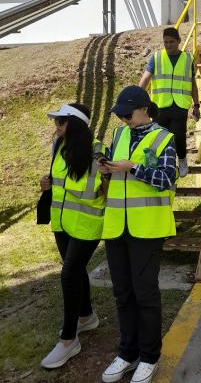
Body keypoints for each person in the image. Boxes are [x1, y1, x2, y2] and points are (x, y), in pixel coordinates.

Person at [100, 86, 177, 383]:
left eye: (127, 113)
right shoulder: (119, 135)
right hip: (117, 226)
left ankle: (149, 356)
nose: (123, 119)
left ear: (144, 109)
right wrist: (105, 167)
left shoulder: (164, 138)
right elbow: (111, 165)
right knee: (122, 293)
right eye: (120, 114)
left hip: (147, 229)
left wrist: (133, 167)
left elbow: (167, 179)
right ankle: (127, 352)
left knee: (145, 294)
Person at [39, 103, 105, 370]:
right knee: (75, 272)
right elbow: (60, 180)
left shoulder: (96, 150)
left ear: (74, 125)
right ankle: (87, 316)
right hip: (62, 221)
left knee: (68, 274)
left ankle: (69, 340)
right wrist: (48, 182)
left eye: (61, 123)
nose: (56, 128)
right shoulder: (59, 146)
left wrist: (57, 184)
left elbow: (92, 187)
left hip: (87, 224)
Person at [138, 27, 200, 178]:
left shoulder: (188, 59)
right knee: (157, 136)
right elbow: (146, 78)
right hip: (160, 106)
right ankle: (154, 164)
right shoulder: (156, 57)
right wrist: (138, 97)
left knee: (178, 135)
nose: (168, 45)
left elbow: (193, 84)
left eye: (172, 42)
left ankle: (183, 160)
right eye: (166, 42)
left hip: (180, 105)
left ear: (179, 41)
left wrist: (196, 105)